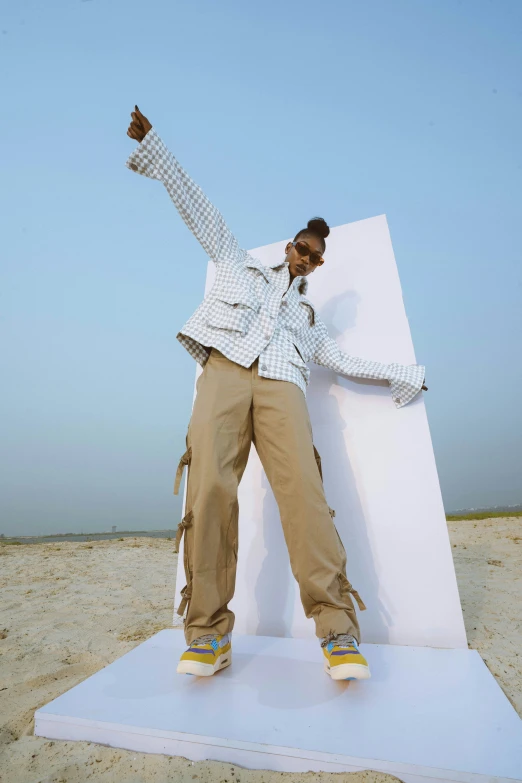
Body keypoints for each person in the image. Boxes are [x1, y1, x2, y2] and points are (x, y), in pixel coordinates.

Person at [126, 105, 427, 682]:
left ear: (318, 264)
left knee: (304, 499)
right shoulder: (237, 264)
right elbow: (199, 209)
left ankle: (338, 632)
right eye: (301, 246)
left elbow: (342, 359)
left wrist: (403, 373)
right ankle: (208, 633)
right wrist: (157, 148)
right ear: (289, 245)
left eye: (316, 255)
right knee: (209, 489)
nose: (306, 256)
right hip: (225, 371)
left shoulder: (307, 316)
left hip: (283, 383)